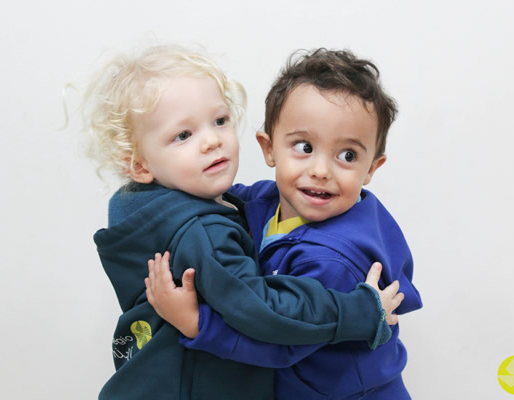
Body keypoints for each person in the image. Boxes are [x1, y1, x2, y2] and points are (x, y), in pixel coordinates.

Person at [84, 44, 404, 400]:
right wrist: (355, 312)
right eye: (183, 135)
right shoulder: (214, 223)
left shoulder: (330, 260)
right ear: (269, 148)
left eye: (219, 121)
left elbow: (276, 332)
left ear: (372, 167)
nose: (320, 171)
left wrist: (196, 323)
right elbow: (262, 303)